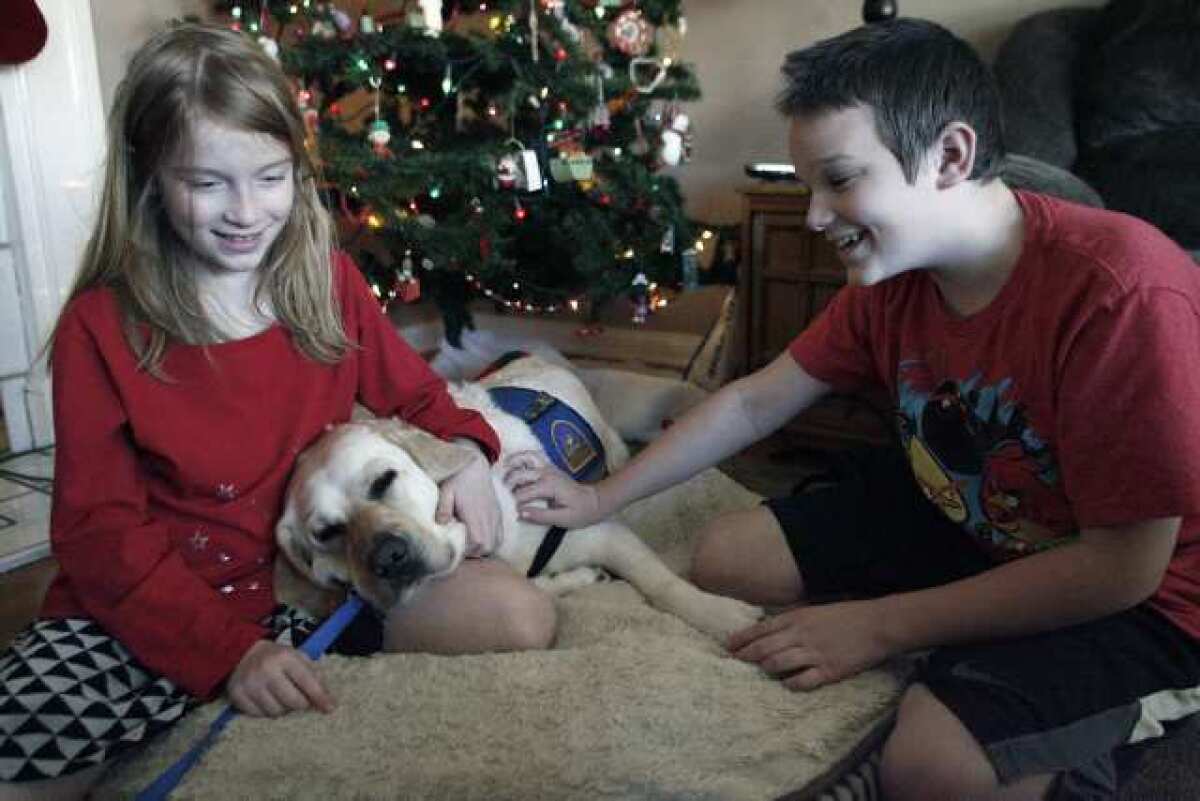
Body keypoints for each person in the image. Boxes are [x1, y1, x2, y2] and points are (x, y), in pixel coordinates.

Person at [505, 18, 1200, 801]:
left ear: (950, 157)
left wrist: (884, 625)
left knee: (928, 766)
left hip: (1151, 591)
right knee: (725, 558)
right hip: (984, 516)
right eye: (809, 186)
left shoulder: (1122, 291)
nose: (813, 216)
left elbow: (1123, 566)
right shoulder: (893, 281)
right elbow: (756, 400)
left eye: (839, 180)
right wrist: (603, 495)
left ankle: (1089, 734)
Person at [0, 22, 556, 801]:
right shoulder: (101, 326)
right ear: (150, 176)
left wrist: (466, 452)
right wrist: (228, 654)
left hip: (323, 583)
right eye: (207, 183)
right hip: (150, 610)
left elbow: (423, 397)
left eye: (269, 176)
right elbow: (100, 536)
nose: (245, 211)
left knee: (519, 616)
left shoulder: (327, 283)